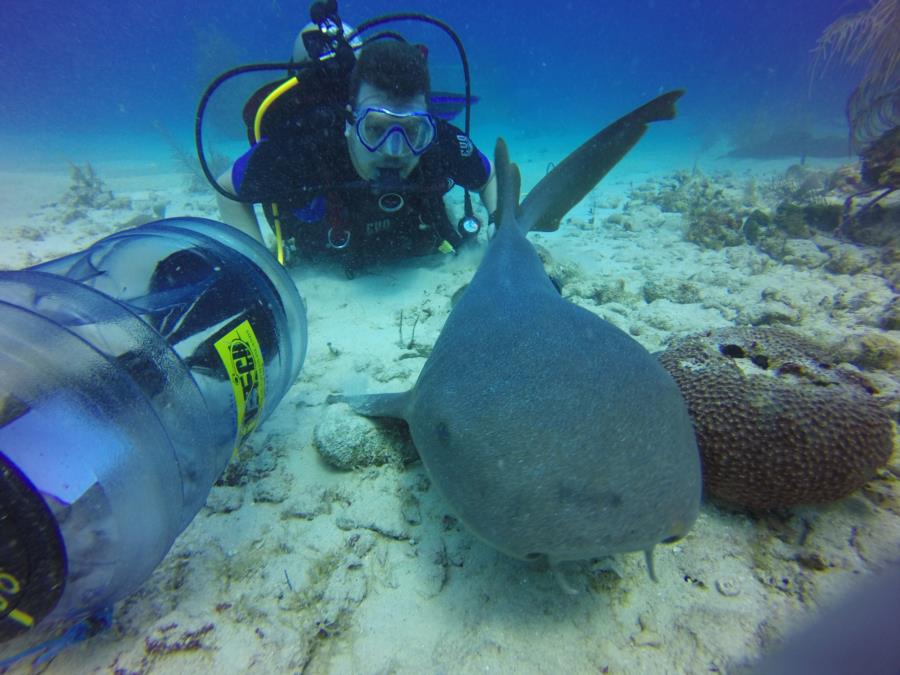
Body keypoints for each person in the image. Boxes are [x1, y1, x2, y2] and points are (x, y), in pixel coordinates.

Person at [216, 37, 497, 276]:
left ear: (428, 125)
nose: (394, 151)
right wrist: (262, 273)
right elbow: (228, 188)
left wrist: (498, 222)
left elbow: (490, 177)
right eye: (375, 129)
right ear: (349, 123)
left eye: (412, 131)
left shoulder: (439, 142)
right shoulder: (305, 148)